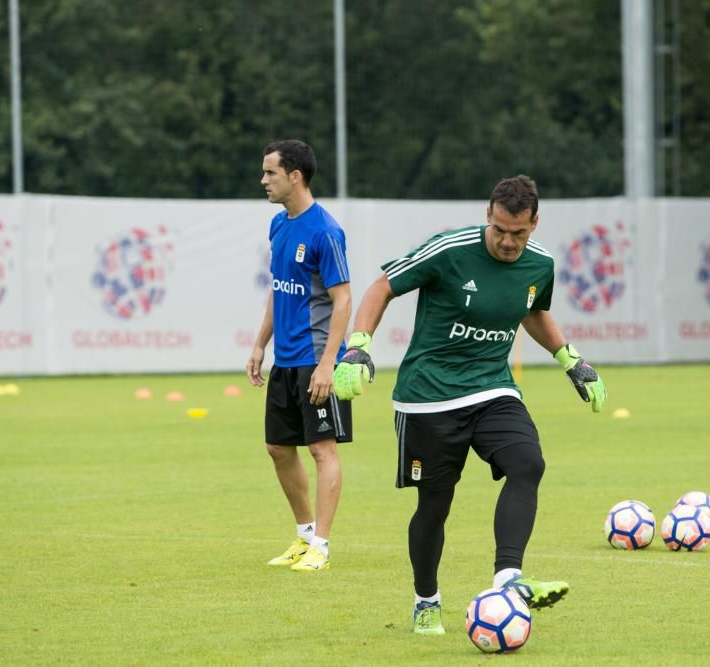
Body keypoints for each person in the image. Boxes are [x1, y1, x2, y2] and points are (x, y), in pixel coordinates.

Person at [332, 175, 605, 634]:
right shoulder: (449, 249)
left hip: (492, 389)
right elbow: (382, 287)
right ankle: (426, 600)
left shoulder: (540, 264)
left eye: (518, 232)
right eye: (499, 229)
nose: (507, 241)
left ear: (534, 223)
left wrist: (571, 360)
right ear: (488, 215)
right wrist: (358, 346)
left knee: (528, 463)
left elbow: (532, 308)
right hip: (428, 398)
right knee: (435, 506)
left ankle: (509, 579)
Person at [246, 139, 353, 572]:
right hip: (285, 360)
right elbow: (278, 289)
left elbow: (343, 300)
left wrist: (329, 363)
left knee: (322, 451)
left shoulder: (325, 230)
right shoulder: (278, 224)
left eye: (270, 172)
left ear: (295, 176)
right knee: (277, 447)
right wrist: (260, 343)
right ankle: (304, 534)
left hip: (316, 359)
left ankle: (322, 547)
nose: (263, 180)